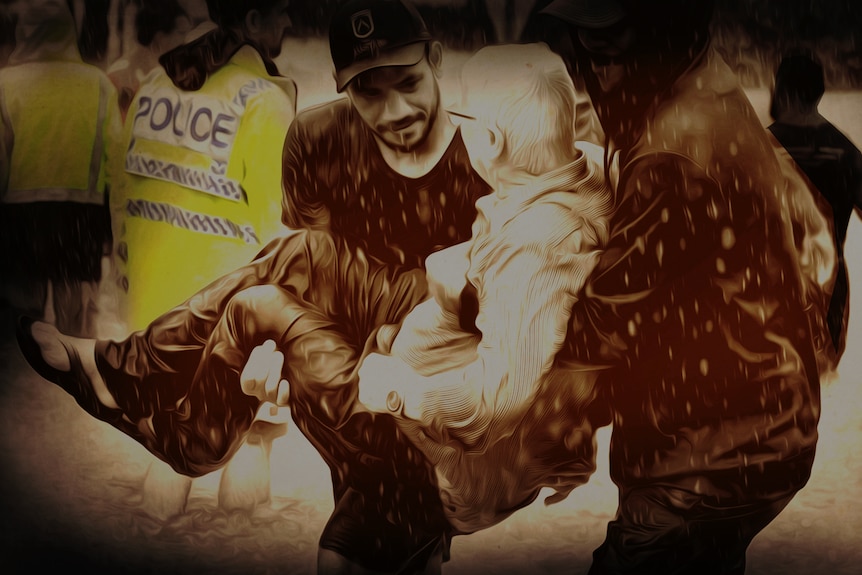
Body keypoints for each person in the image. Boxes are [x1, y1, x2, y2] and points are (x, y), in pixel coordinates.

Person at [17, 0, 491, 573]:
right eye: (368, 91)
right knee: (261, 303)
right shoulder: (317, 136)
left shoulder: (487, 159)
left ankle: (144, 392)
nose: (394, 110)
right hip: (344, 367)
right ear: (344, 89)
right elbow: (309, 286)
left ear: (436, 59)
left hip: (436, 364)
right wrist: (278, 354)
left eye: (409, 82)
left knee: (298, 262)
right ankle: (161, 408)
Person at [534, 1, 836, 573]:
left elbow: (600, 333)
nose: (594, 74)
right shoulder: (703, 80)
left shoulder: (673, 147)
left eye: (608, 49)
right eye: (584, 46)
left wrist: (530, 427)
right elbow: (810, 230)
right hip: (755, 430)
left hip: (706, 460)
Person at [348, 42, 612, 535]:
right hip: (445, 407)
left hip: (451, 472)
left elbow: (499, 403)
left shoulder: (536, 248)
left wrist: (405, 393)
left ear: (489, 140)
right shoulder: (587, 166)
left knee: (287, 294)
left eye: (459, 114)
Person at [111, 0, 297, 333]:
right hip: (215, 327)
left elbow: (122, 192)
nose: (289, 22)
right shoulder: (264, 104)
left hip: (146, 315)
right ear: (253, 19)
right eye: (281, 10)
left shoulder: (154, 85)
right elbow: (279, 234)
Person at [0, 0, 122, 338]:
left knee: (21, 322)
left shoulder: (5, 84)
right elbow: (118, 167)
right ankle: (73, 387)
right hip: (80, 220)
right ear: (70, 31)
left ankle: (27, 386)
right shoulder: (99, 84)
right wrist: (118, 229)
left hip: (21, 221)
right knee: (78, 324)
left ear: (23, 32)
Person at [768, 50, 862, 364]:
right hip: (829, 293)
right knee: (823, 378)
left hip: (771, 292)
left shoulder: (760, 149)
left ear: (784, 92)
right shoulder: (846, 151)